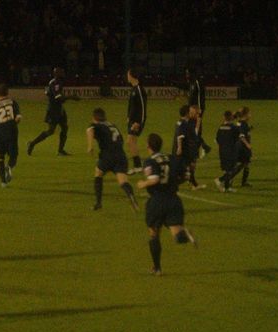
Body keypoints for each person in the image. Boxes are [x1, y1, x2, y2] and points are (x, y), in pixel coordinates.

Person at [137, 133, 197, 276]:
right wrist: (175, 182)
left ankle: (157, 268)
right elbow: (186, 175)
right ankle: (185, 234)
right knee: (177, 236)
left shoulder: (150, 161)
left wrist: (142, 183)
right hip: (173, 200)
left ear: (148, 146)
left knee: (154, 234)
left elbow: (155, 179)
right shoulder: (172, 158)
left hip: (157, 201)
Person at [86, 108, 138, 212]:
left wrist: (90, 145)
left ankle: (98, 203)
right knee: (123, 181)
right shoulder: (113, 126)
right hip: (121, 156)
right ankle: (131, 196)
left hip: (107, 156)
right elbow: (121, 140)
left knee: (98, 173)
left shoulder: (96, 125)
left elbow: (89, 130)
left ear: (94, 117)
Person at [28, 66, 76, 156]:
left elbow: (53, 94)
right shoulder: (55, 83)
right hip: (53, 110)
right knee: (51, 131)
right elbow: (58, 97)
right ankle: (32, 143)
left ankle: (60, 151)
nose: (63, 73)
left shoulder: (58, 82)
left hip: (59, 109)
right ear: (57, 74)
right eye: (61, 71)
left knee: (65, 128)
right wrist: (71, 97)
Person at [0, 83, 22, 187]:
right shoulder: (13, 103)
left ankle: (3, 182)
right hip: (11, 131)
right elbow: (18, 118)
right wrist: (11, 123)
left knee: (0, 157)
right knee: (14, 155)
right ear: (8, 92)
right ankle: (10, 166)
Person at [172, 105, 205, 190]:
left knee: (189, 168)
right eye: (190, 112)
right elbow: (180, 136)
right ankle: (171, 185)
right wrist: (179, 148)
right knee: (184, 172)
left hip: (185, 149)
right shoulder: (183, 123)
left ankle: (194, 185)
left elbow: (193, 134)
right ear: (187, 113)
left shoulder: (182, 122)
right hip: (182, 150)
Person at [214, 110, 245, 192]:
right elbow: (240, 136)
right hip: (231, 151)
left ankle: (227, 187)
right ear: (231, 117)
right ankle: (219, 180)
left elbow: (217, 140)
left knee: (227, 170)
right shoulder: (234, 127)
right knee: (232, 170)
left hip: (222, 151)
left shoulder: (220, 127)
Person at [125, 68, 147, 174]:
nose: (127, 76)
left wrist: (139, 122)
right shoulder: (133, 89)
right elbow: (132, 105)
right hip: (132, 120)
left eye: (128, 74)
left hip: (137, 121)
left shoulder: (139, 89)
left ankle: (138, 166)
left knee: (130, 141)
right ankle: (138, 166)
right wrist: (128, 116)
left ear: (132, 76)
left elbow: (143, 108)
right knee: (131, 142)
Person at [186, 67, 212, 155]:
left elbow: (200, 97)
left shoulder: (197, 82)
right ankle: (204, 147)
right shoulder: (192, 83)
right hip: (192, 110)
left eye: (188, 73)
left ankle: (200, 149)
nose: (187, 75)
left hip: (196, 111)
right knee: (193, 129)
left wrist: (199, 111)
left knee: (195, 129)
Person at [235, 107, 253, 187]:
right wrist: (247, 144)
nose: (250, 115)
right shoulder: (243, 124)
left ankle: (244, 182)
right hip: (243, 147)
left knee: (245, 164)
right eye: (249, 114)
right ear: (245, 115)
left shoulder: (239, 122)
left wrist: (249, 129)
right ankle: (227, 178)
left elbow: (241, 131)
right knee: (243, 164)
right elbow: (241, 136)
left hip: (238, 146)